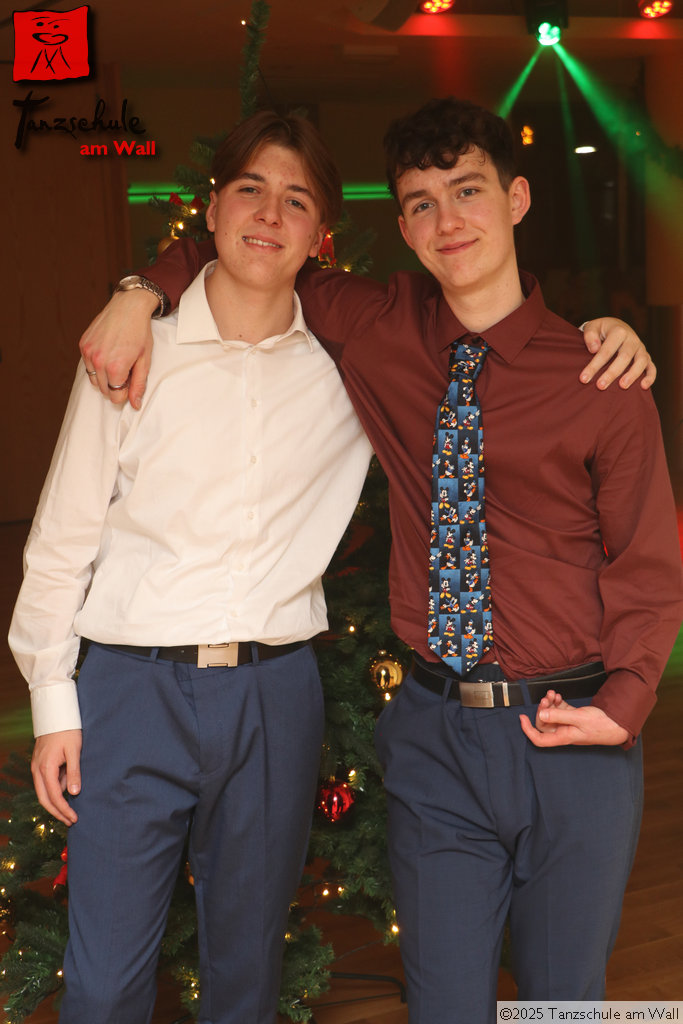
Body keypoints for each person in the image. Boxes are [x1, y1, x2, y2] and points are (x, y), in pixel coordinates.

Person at [77, 100, 679, 1022]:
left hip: (571, 730)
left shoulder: (598, 375)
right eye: (421, 203)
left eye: (467, 191)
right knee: (442, 1004)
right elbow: (249, 245)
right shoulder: (377, 324)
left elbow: (646, 558)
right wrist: (136, 290)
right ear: (401, 226)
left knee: (565, 1003)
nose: (448, 221)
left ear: (516, 199)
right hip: (435, 733)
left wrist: (624, 704)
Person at [8, 111, 372, 1024]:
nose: (269, 214)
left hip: (274, 694)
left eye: (296, 199)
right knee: (103, 983)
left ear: (320, 233)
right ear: (211, 210)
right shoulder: (132, 351)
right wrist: (53, 704)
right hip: (132, 690)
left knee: (246, 973)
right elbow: (62, 537)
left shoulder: (352, 369)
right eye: (250, 189)